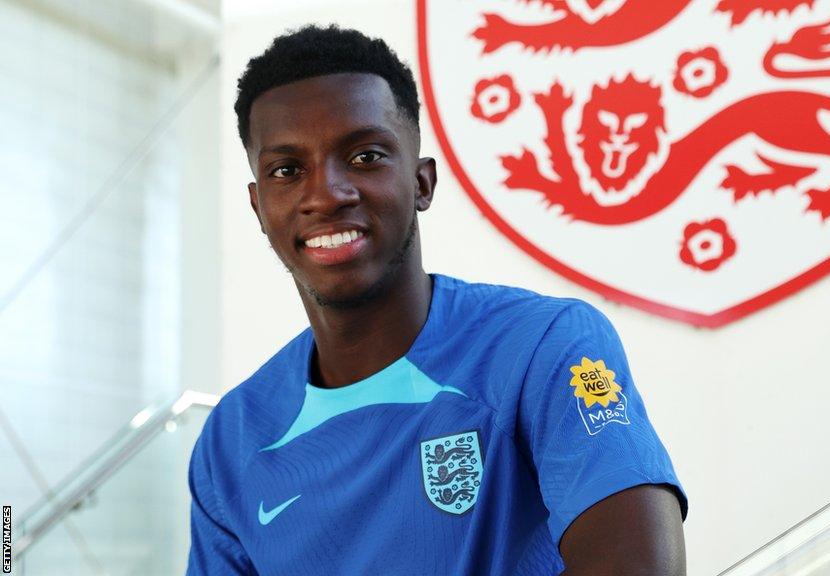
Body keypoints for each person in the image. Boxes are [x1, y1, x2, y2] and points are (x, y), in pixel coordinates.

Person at [187, 24, 687, 575]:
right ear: (259, 207)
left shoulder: (544, 347)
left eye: (364, 156)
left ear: (422, 183)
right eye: (287, 170)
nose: (326, 194)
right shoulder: (229, 443)